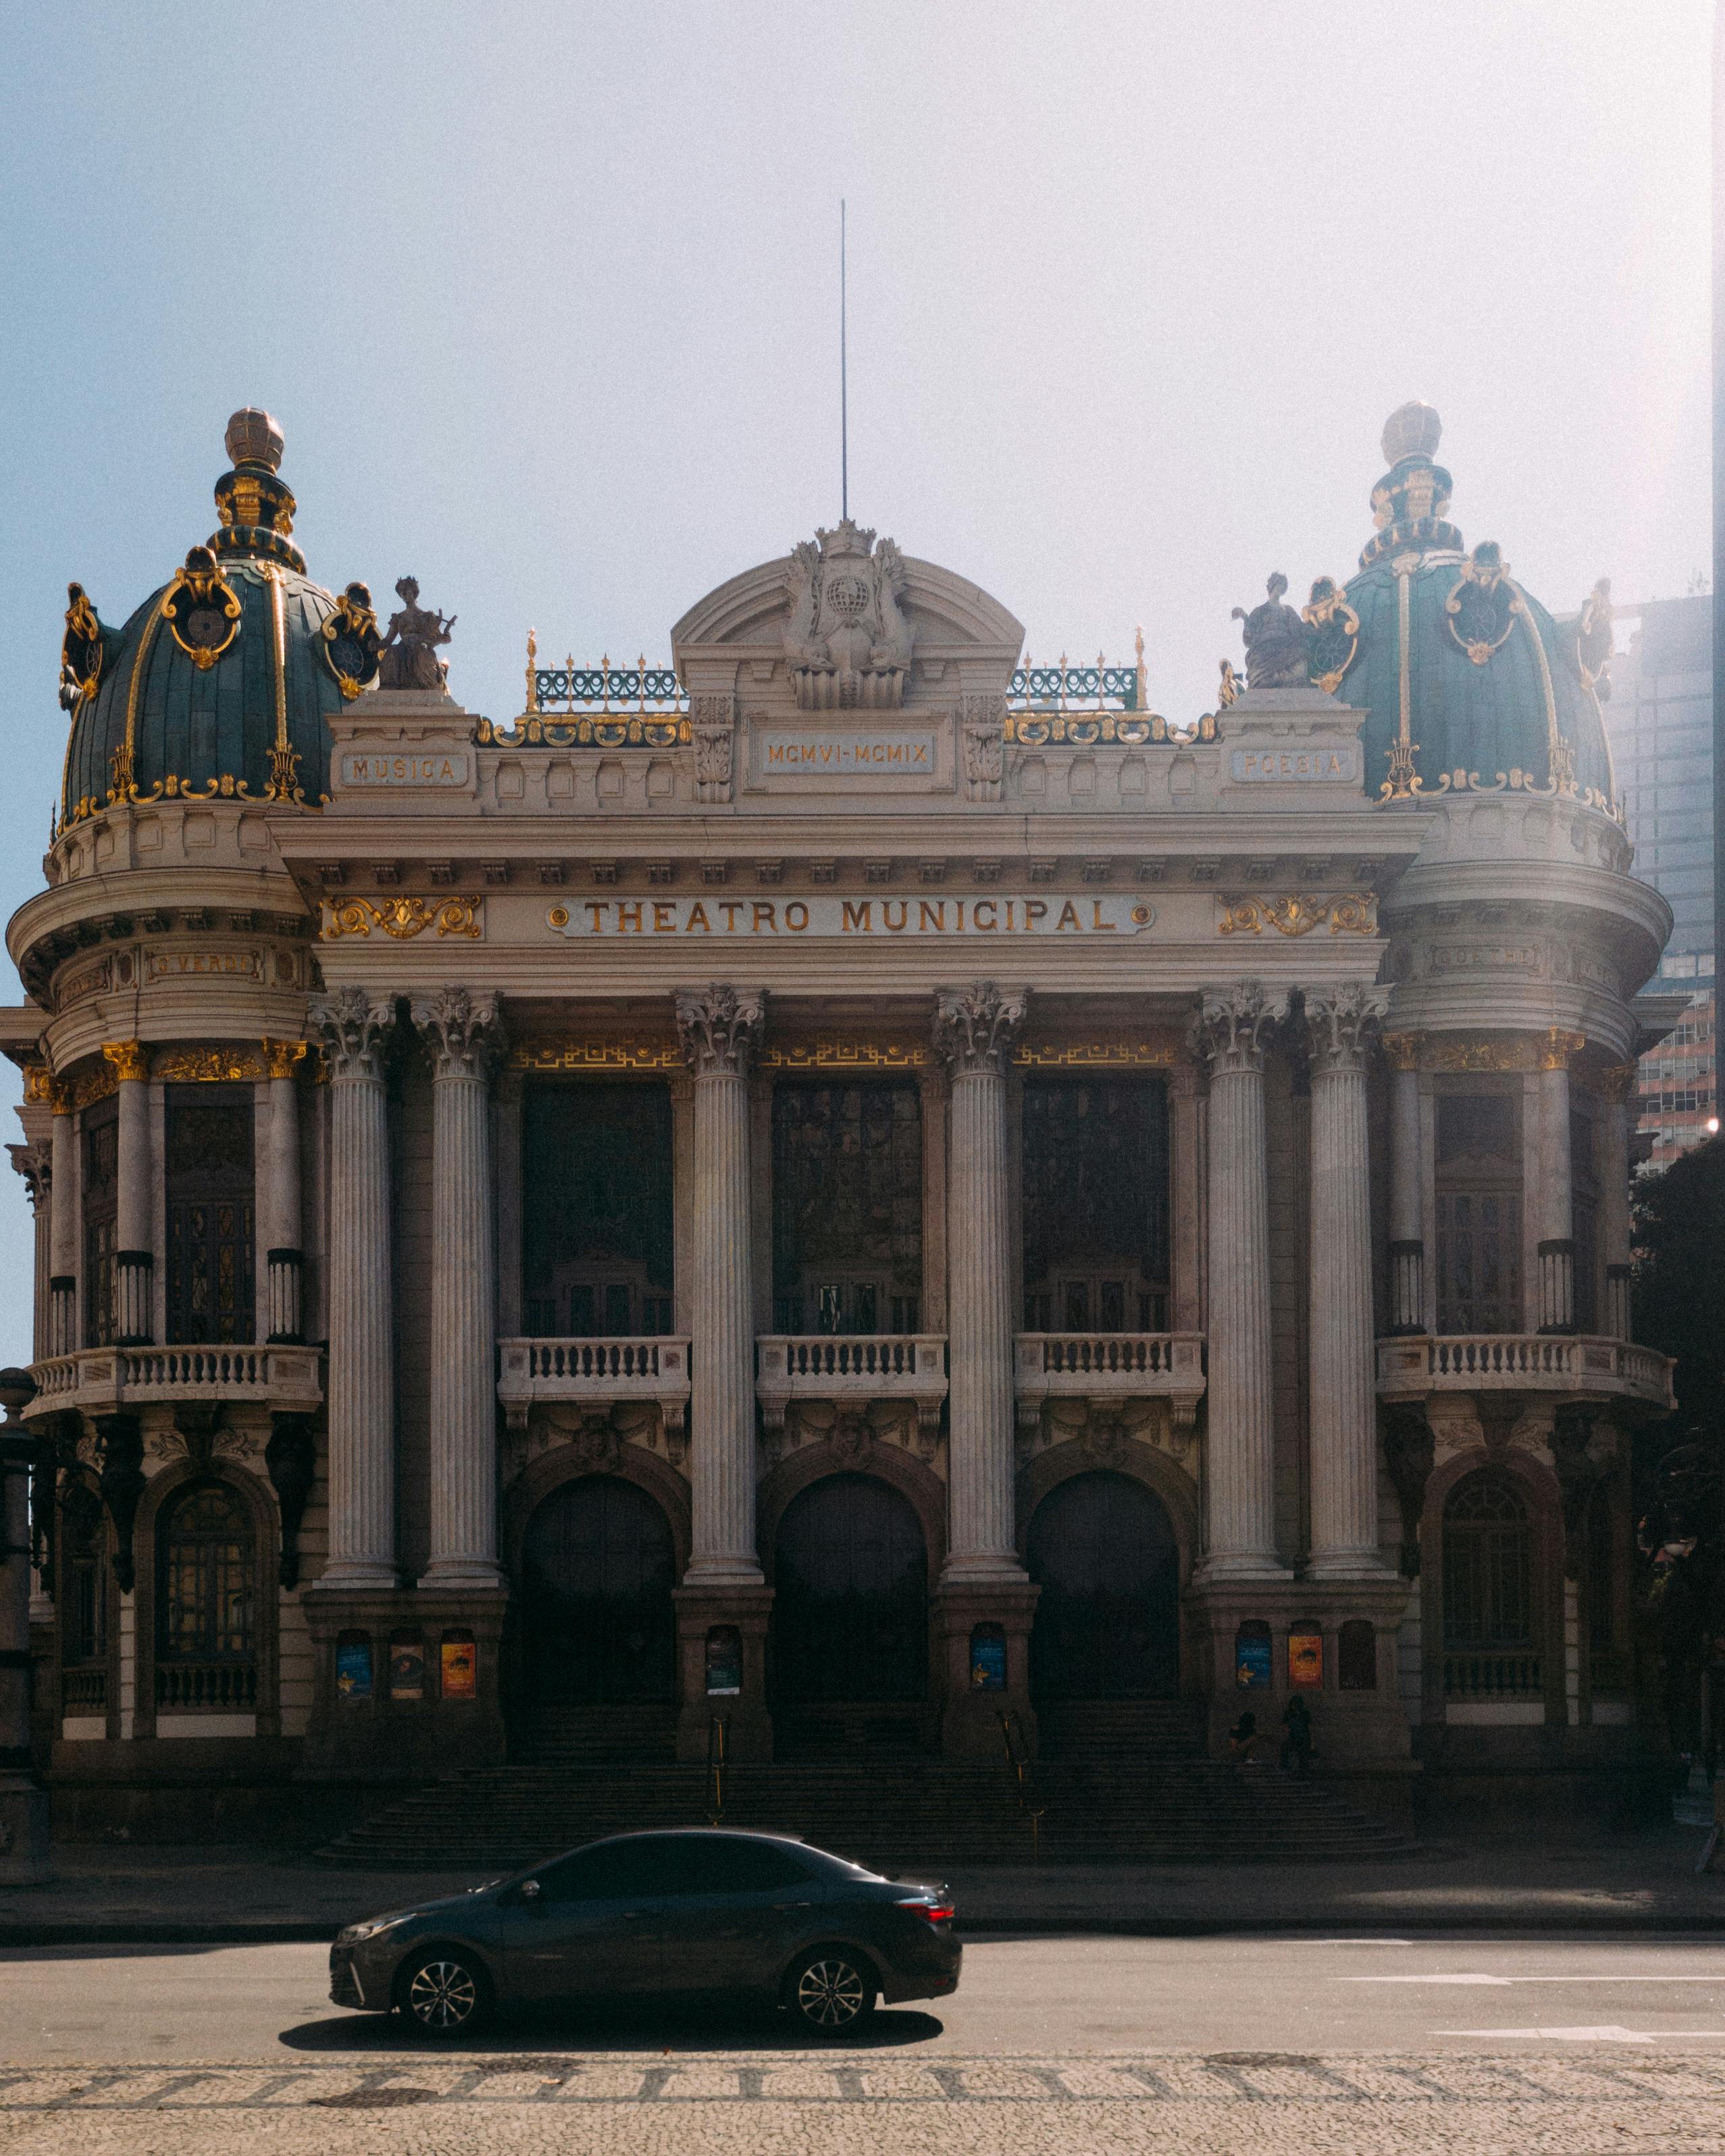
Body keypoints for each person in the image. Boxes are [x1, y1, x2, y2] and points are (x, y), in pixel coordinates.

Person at [1281, 1694, 1315, 1776]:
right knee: (1286, 1749)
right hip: (1294, 1737)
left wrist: (1312, 1743)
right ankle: (1287, 1768)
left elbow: (1310, 1728)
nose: (1293, 1706)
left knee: (1303, 1756)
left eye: (1295, 1704)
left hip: (1304, 1737)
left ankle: (1302, 1772)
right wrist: (1286, 1729)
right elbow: (1283, 1725)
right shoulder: (1289, 1713)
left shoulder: (1305, 1713)